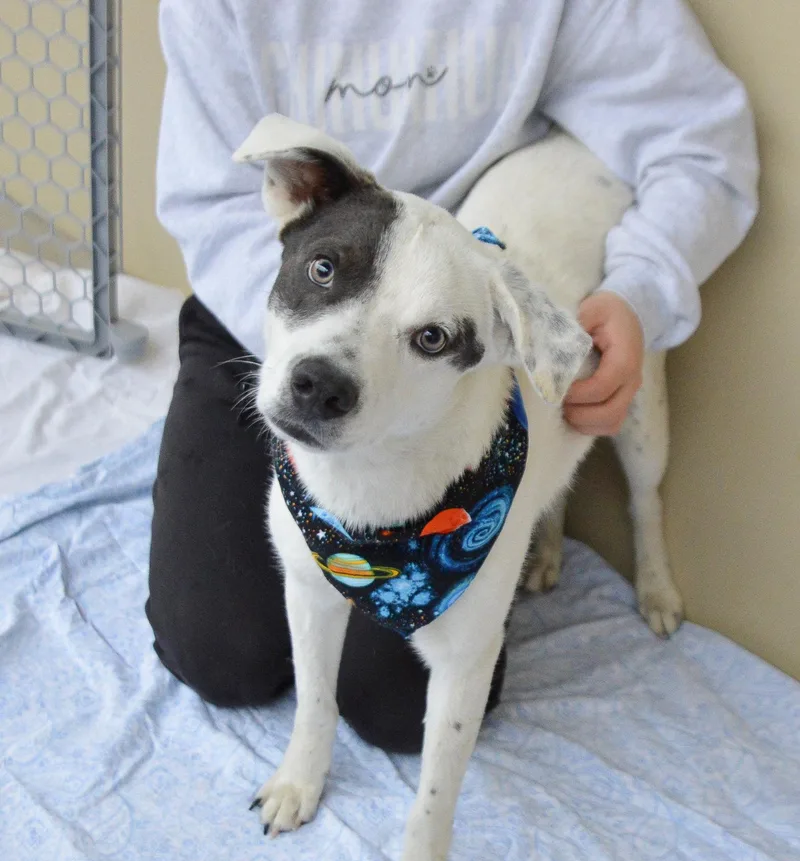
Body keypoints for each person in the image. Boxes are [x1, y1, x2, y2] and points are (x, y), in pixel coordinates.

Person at [148, 0, 758, 752]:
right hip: (279, 302)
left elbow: (700, 144)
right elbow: (212, 203)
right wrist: (307, 356)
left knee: (401, 710)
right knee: (217, 655)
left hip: (460, 328)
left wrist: (642, 293)